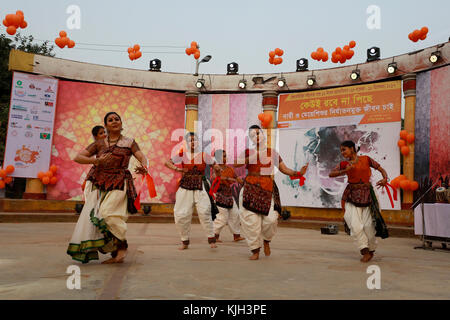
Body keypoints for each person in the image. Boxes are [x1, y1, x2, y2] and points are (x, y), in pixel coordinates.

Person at [67, 112, 148, 264]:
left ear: (121, 123)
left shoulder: (129, 142)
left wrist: (144, 166)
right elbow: (78, 157)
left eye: (117, 119)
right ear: (105, 125)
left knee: (109, 213)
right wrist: (96, 161)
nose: (114, 121)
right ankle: (116, 253)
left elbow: (142, 156)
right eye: (110, 120)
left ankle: (122, 247)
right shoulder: (99, 143)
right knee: (98, 218)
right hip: (100, 183)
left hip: (119, 181)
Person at [235, 125, 308, 260]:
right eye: (252, 136)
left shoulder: (272, 152)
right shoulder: (247, 152)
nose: (256, 137)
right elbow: (235, 164)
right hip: (250, 187)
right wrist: (248, 159)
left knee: (271, 220)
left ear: (263, 135)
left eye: (257, 133)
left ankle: (267, 241)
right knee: (251, 222)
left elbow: (284, 169)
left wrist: (298, 173)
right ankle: (255, 250)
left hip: (267, 188)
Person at [329, 140, 389, 263]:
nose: (342, 152)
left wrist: (385, 179)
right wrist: (345, 171)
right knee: (356, 226)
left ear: (352, 148)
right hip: (351, 197)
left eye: (344, 149)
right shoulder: (344, 164)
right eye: (341, 150)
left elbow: (381, 169)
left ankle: (371, 250)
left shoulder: (366, 159)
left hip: (368, 196)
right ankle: (364, 251)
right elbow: (331, 174)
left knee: (368, 226)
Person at [165, 132, 219, 250]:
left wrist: (215, 171)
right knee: (181, 213)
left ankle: (211, 239)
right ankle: (184, 241)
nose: (193, 142)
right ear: (187, 143)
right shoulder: (182, 155)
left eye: (195, 140)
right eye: (190, 140)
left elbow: (215, 165)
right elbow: (167, 162)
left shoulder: (204, 155)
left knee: (205, 212)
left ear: (198, 142)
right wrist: (177, 169)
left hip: (201, 185)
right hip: (185, 185)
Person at [211, 149, 245, 243]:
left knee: (235, 214)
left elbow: (237, 178)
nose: (225, 158)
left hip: (229, 195)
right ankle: (214, 235)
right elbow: (215, 177)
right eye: (223, 156)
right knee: (222, 218)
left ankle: (236, 236)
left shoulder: (229, 169)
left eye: (226, 156)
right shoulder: (216, 167)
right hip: (219, 194)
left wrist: (245, 183)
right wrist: (228, 178)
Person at [81, 125, 107, 194]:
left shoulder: (109, 143)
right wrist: (94, 161)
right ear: (95, 136)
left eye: (104, 132)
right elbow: (82, 156)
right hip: (98, 173)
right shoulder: (96, 145)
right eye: (101, 133)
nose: (104, 134)